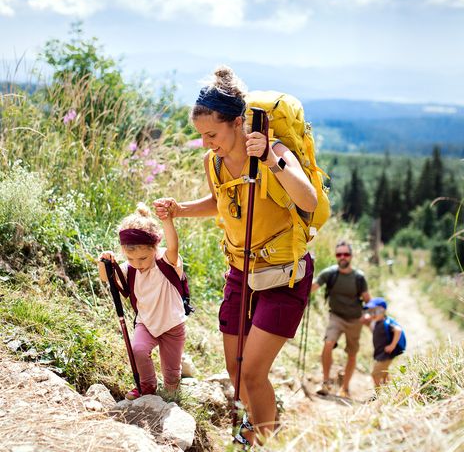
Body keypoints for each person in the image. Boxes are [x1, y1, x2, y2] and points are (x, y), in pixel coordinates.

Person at [154, 65, 317, 446]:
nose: (207, 142)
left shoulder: (274, 151)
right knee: (235, 369)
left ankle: (265, 440)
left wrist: (274, 163)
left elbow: (307, 198)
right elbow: (220, 201)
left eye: (212, 133)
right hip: (240, 272)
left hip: (283, 275)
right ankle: (260, 428)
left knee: (253, 373)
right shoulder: (213, 161)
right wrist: (180, 209)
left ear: (238, 122)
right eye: (201, 136)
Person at [98, 202, 186, 400]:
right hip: (146, 322)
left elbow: (173, 245)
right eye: (131, 259)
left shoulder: (166, 261)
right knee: (138, 350)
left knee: (171, 370)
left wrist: (167, 220)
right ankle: (147, 386)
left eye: (143, 258)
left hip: (172, 325)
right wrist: (103, 262)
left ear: (155, 248)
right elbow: (106, 278)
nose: (138, 264)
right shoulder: (130, 269)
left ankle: (172, 394)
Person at [311, 240, 371, 398]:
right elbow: (313, 287)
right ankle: (326, 382)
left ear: (351, 256)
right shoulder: (329, 273)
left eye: (346, 254)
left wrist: (368, 314)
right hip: (336, 316)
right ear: (336, 256)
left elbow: (368, 300)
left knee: (352, 354)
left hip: (355, 320)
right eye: (339, 254)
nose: (342, 257)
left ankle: (345, 388)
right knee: (328, 343)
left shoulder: (359, 277)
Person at [362, 297, 404, 390]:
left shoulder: (387, 322)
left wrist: (392, 345)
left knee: (375, 374)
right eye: (370, 311)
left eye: (374, 311)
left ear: (382, 311)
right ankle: (390, 390)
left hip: (386, 354)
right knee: (384, 374)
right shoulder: (377, 323)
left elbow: (398, 330)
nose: (372, 314)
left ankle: (379, 394)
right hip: (381, 353)